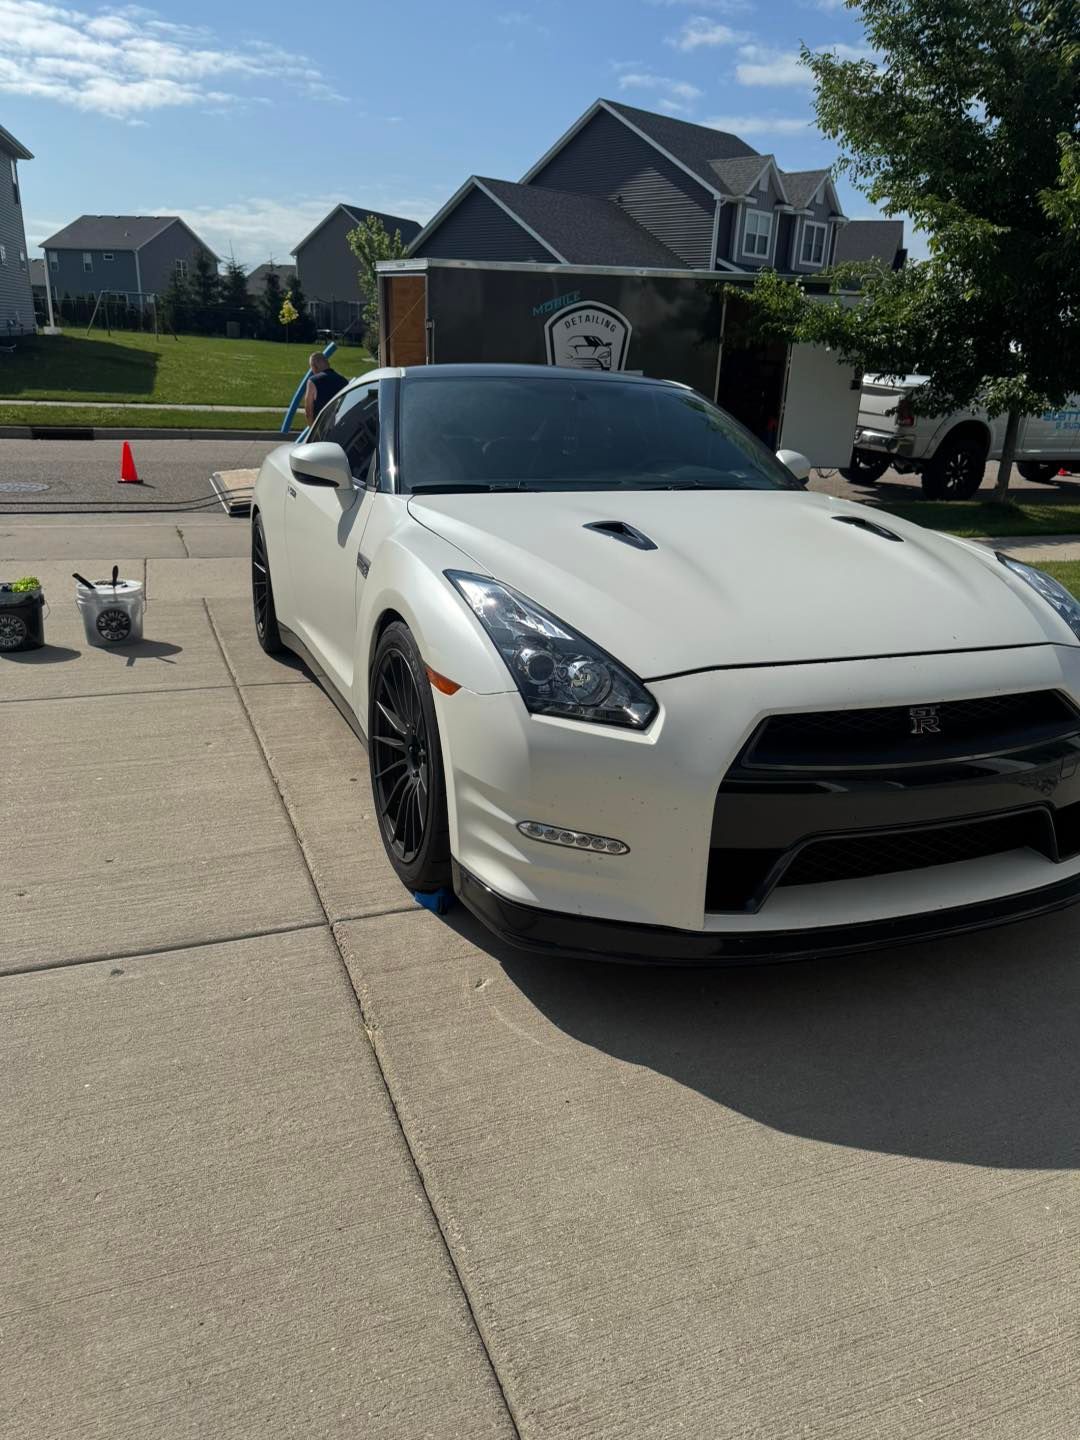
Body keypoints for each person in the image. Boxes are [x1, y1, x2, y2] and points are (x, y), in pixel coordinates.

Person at [304, 352, 348, 426]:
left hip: (322, 429)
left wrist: (312, 429)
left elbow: (308, 411)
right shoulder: (344, 381)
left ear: (314, 366)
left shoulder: (313, 381)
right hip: (340, 427)